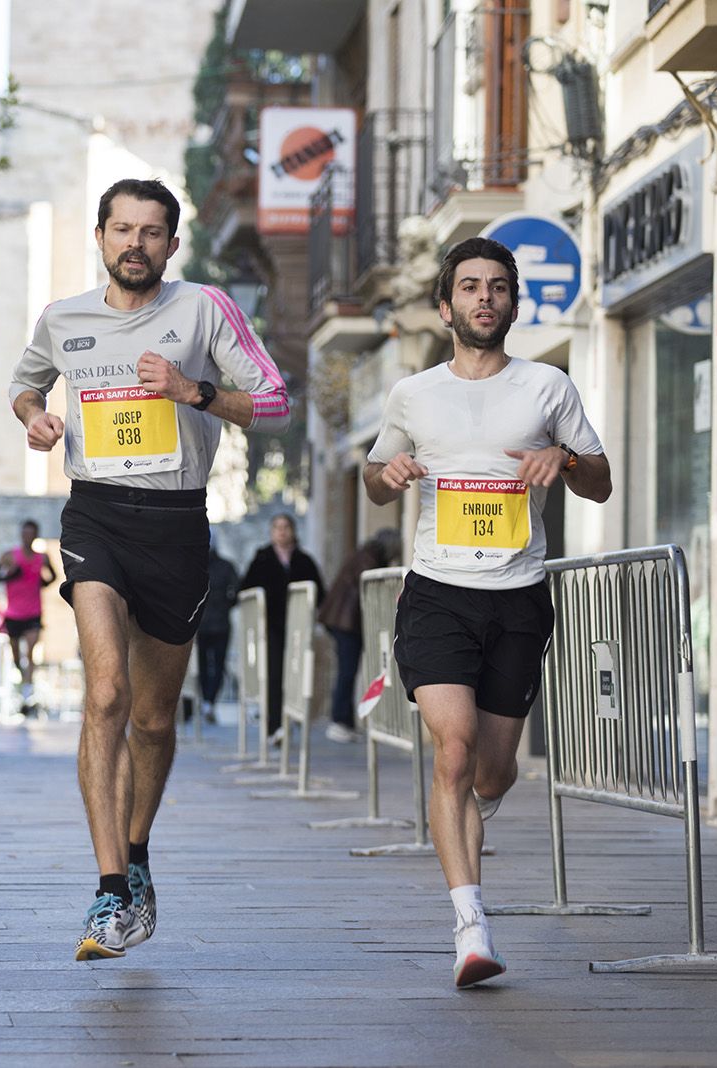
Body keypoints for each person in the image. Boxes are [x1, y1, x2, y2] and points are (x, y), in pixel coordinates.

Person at [9, 178, 291, 959]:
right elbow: (25, 382)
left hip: (175, 525)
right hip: (95, 514)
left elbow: (275, 401)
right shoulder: (63, 319)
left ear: (171, 244)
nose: (135, 243)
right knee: (105, 692)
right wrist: (36, 418)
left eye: (152, 231)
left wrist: (193, 389)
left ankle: (135, 858)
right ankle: (107, 892)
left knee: (153, 719)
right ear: (99, 237)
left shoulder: (203, 309)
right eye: (122, 229)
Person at [364, 236, 611, 988]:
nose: (484, 298)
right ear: (446, 307)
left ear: (512, 302)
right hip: (437, 592)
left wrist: (563, 462)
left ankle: (471, 816)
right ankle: (471, 926)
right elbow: (375, 479)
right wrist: (392, 472)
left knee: (494, 774)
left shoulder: (548, 387)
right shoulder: (413, 394)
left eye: (497, 287)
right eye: (469, 287)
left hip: (518, 597)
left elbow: (598, 482)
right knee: (453, 749)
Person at [239, 513, 326, 739]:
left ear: (293, 530)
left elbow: (319, 591)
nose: (282, 531)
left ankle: (293, 717)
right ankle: (274, 724)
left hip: (299, 627)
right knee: (274, 673)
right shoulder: (262, 558)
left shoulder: (303, 560)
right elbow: (246, 587)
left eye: (286, 526)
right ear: (271, 531)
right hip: (271, 626)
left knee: (298, 673)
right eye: (277, 527)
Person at [316, 527, 401, 744]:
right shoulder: (369, 559)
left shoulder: (366, 555)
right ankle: (339, 721)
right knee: (347, 671)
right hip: (346, 622)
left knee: (348, 671)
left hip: (343, 621)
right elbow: (371, 590)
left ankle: (345, 721)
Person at [0, 519, 57, 708]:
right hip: (13, 613)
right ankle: (21, 676)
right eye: (24, 533)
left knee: (31, 651)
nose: (27, 537)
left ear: (36, 535)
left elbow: (54, 576)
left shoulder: (42, 558)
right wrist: (10, 575)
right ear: (21, 535)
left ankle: (28, 689)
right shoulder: (10, 556)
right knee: (17, 655)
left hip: (34, 612)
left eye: (31, 534)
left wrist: (42, 584)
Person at [194, 530, 239, 722]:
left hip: (216, 624)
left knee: (215, 665)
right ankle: (207, 701)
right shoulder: (197, 565)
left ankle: (208, 701)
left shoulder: (224, 566)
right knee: (208, 665)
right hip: (207, 624)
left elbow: (237, 590)